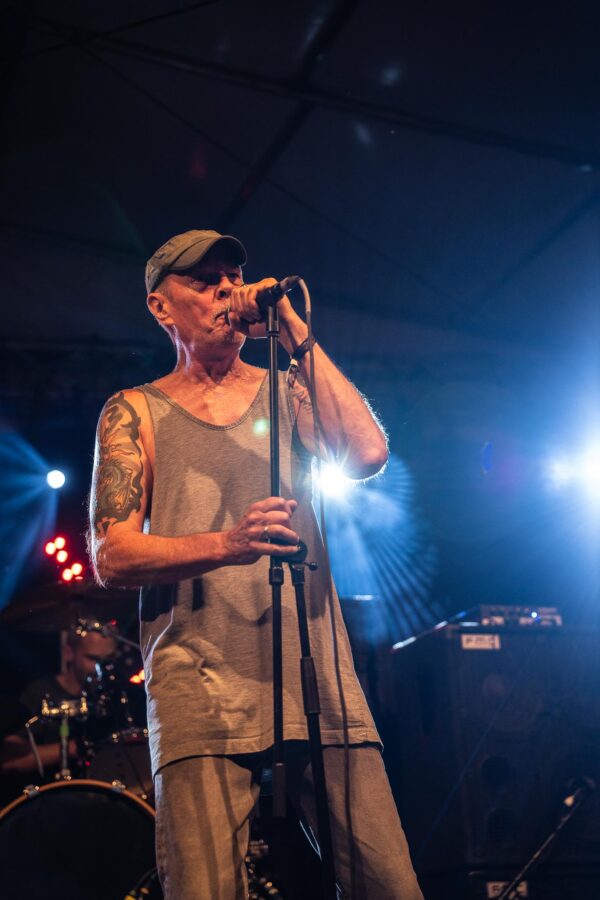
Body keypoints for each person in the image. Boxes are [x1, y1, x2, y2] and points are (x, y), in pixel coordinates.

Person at [88, 229, 423, 899]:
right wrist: (228, 544)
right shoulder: (134, 412)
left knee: (389, 884)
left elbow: (366, 455)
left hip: (314, 674)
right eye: (203, 280)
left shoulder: (290, 388)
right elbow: (112, 555)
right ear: (160, 306)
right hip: (198, 684)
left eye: (232, 277)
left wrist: (294, 331)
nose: (225, 290)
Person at [1, 628, 116, 778]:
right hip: (50, 787)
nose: (99, 668)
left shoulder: (111, 695)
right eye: (92, 658)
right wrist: (72, 748)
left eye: (107, 661)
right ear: (69, 653)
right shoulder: (40, 692)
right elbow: (9, 759)